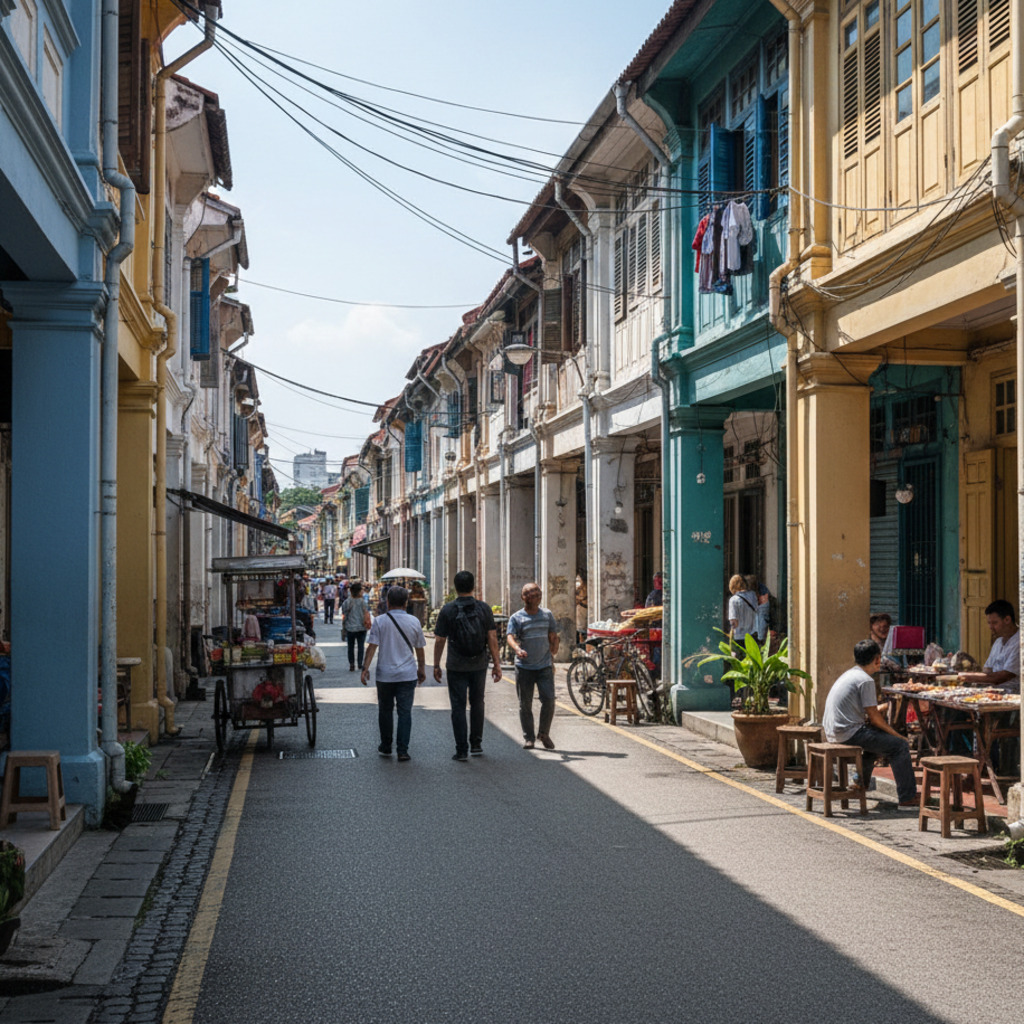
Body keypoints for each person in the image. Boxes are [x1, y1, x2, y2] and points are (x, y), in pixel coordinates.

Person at [822, 639, 918, 807]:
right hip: (848, 733)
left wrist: (886, 706)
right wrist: (898, 736)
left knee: (875, 744)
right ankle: (907, 796)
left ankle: (860, 782)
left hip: (833, 731)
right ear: (876, 659)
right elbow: (874, 717)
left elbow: (869, 710)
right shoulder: (865, 680)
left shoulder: (851, 674)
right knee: (898, 746)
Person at [432, 570, 502, 761]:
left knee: (458, 706)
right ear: (474, 586)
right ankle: (476, 744)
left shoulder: (448, 610)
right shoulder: (484, 608)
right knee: (478, 703)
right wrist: (496, 664)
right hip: (479, 663)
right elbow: (492, 637)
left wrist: (436, 664)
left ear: (455, 587)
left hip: (456, 664)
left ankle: (461, 749)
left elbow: (439, 640)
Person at [361, 586, 426, 761]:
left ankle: (386, 745)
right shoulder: (414, 621)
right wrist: (421, 668)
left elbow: (372, 647)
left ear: (387, 601)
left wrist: (365, 669)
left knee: (385, 710)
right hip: (407, 675)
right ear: (406, 602)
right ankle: (403, 750)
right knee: (405, 712)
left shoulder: (380, 621)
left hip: (385, 675)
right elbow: (420, 649)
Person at [507, 582, 559, 750]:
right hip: (524, 668)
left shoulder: (547, 615)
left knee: (549, 701)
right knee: (525, 704)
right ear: (523, 597)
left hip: (544, 666)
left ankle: (544, 733)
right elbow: (510, 636)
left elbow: (552, 636)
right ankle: (529, 737)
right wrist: (517, 649)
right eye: (530, 592)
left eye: (537, 591)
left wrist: (554, 651)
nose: (535, 594)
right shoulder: (516, 617)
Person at [958, 599, 1021, 693]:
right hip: (993, 691)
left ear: (1007, 619)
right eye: (989, 623)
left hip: (1014, 695)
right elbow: (988, 670)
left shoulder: (1020, 642)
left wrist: (964, 676)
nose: (990, 627)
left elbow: (1001, 677)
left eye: (995, 623)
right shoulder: (998, 642)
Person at [341, 582, 370, 672]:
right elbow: (366, 614)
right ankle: (360, 664)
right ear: (359, 591)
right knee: (361, 647)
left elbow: (344, 613)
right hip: (361, 628)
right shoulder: (363, 602)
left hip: (350, 627)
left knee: (350, 647)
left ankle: (352, 664)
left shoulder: (347, 602)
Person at [726, 574, 758, 645]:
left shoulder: (733, 600)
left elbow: (734, 622)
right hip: (753, 635)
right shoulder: (753, 595)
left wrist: (731, 633)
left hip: (740, 636)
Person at [575, 574, 588, 645]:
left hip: (586, 608)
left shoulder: (585, 585)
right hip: (581, 608)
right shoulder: (579, 586)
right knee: (580, 629)